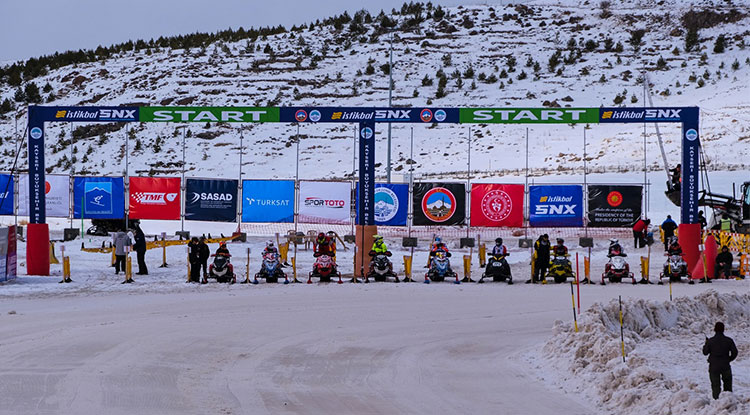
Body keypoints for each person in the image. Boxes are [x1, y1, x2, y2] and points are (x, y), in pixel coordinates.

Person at [703, 322, 738, 400]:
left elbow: (705, 352)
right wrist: (729, 359)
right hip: (725, 366)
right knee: (728, 385)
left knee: (715, 386)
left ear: (714, 329)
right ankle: (728, 401)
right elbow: (735, 352)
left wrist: (706, 343)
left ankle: (717, 402)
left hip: (714, 367)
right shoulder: (729, 340)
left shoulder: (710, 341)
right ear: (723, 329)